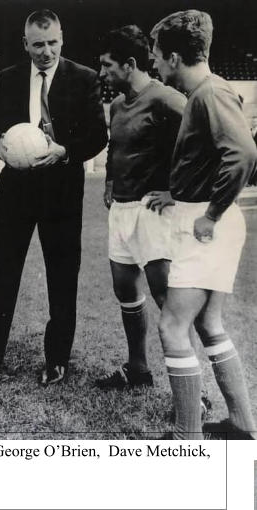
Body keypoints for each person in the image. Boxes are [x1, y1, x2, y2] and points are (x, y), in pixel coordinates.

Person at [0, 9, 108, 386]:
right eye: (38, 44)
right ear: (25, 44)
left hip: (62, 193)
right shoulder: (8, 78)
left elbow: (97, 136)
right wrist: (3, 146)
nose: (46, 51)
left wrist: (65, 151)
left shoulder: (84, 78)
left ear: (62, 39)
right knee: (2, 274)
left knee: (61, 278)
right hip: (16, 193)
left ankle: (57, 360)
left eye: (52, 42)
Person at [150, 10, 257, 439]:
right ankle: (240, 424)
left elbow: (243, 154)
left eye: (157, 57)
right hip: (201, 217)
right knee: (208, 325)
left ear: (174, 57)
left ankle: (186, 437)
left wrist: (210, 216)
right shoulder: (204, 94)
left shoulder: (211, 94)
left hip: (205, 225)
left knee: (171, 326)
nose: (155, 65)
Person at [96, 25, 186, 390]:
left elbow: (203, 140)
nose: (102, 73)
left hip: (153, 210)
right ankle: (138, 369)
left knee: (165, 297)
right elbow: (114, 148)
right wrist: (109, 181)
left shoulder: (166, 98)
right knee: (125, 291)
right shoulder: (118, 104)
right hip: (121, 209)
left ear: (130, 64)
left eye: (107, 66)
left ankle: (189, 388)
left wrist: (175, 192)